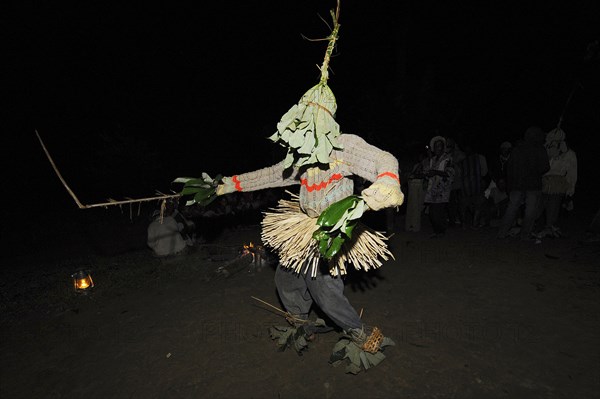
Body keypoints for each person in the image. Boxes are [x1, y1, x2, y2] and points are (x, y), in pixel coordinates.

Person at [182, 12, 404, 374]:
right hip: (301, 226)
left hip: (331, 230)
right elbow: (271, 174)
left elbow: (384, 159)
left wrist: (387, 182)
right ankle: (302, 325)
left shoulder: (343, 146)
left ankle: (360, 332)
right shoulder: (300, 153)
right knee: (286, 280)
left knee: (323, 289)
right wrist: (226, 184)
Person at [497, 126, 550, 240]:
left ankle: (502, 233)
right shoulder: (540, 149)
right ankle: (525, 235)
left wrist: (509, 184)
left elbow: (509, 168)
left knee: (512, 208)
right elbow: (546, 167)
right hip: (533, 185)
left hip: (517, 184)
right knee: (530, 210)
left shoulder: (517, 149)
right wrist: (535, 170)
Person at [536, 127, 578, 238]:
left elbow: (572, 173)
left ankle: (549, 228)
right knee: (537, 207)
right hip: (542, 182)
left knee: (553, 207)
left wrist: (570, 191)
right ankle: (531, 226)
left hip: (557, 184)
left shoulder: (569, 153)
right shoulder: (544, 149)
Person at [422, 136, 455, 238]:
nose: (437, 148)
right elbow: (430, 172)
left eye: (439, 146)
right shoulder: (432, 160)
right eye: (435, 146)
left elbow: (450, 173)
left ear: (443, 147)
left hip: (442, 189)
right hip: (433, 189)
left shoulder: (448, 159)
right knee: (433, 212)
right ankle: (438, 231)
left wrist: (435, 172)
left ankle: (440, 231)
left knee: (437, 211)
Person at [459, 144, 489, 228]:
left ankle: (465, 223)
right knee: (477, 205)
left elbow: (459, 173)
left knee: (465, 205)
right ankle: (474, 223)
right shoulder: (480, 158)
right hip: (476, 185)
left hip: (466, 186)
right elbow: (484, 172)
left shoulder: (461, 159)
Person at [445, 137, 466, 226]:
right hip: (450, 183)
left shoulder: (459, 154)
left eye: (449, 145)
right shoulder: (446, 155)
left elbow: (460, 161)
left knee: (460, 202)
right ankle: (452, 220)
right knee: (451, 202)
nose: (448, 147)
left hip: (459, 182)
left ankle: (462, 221)